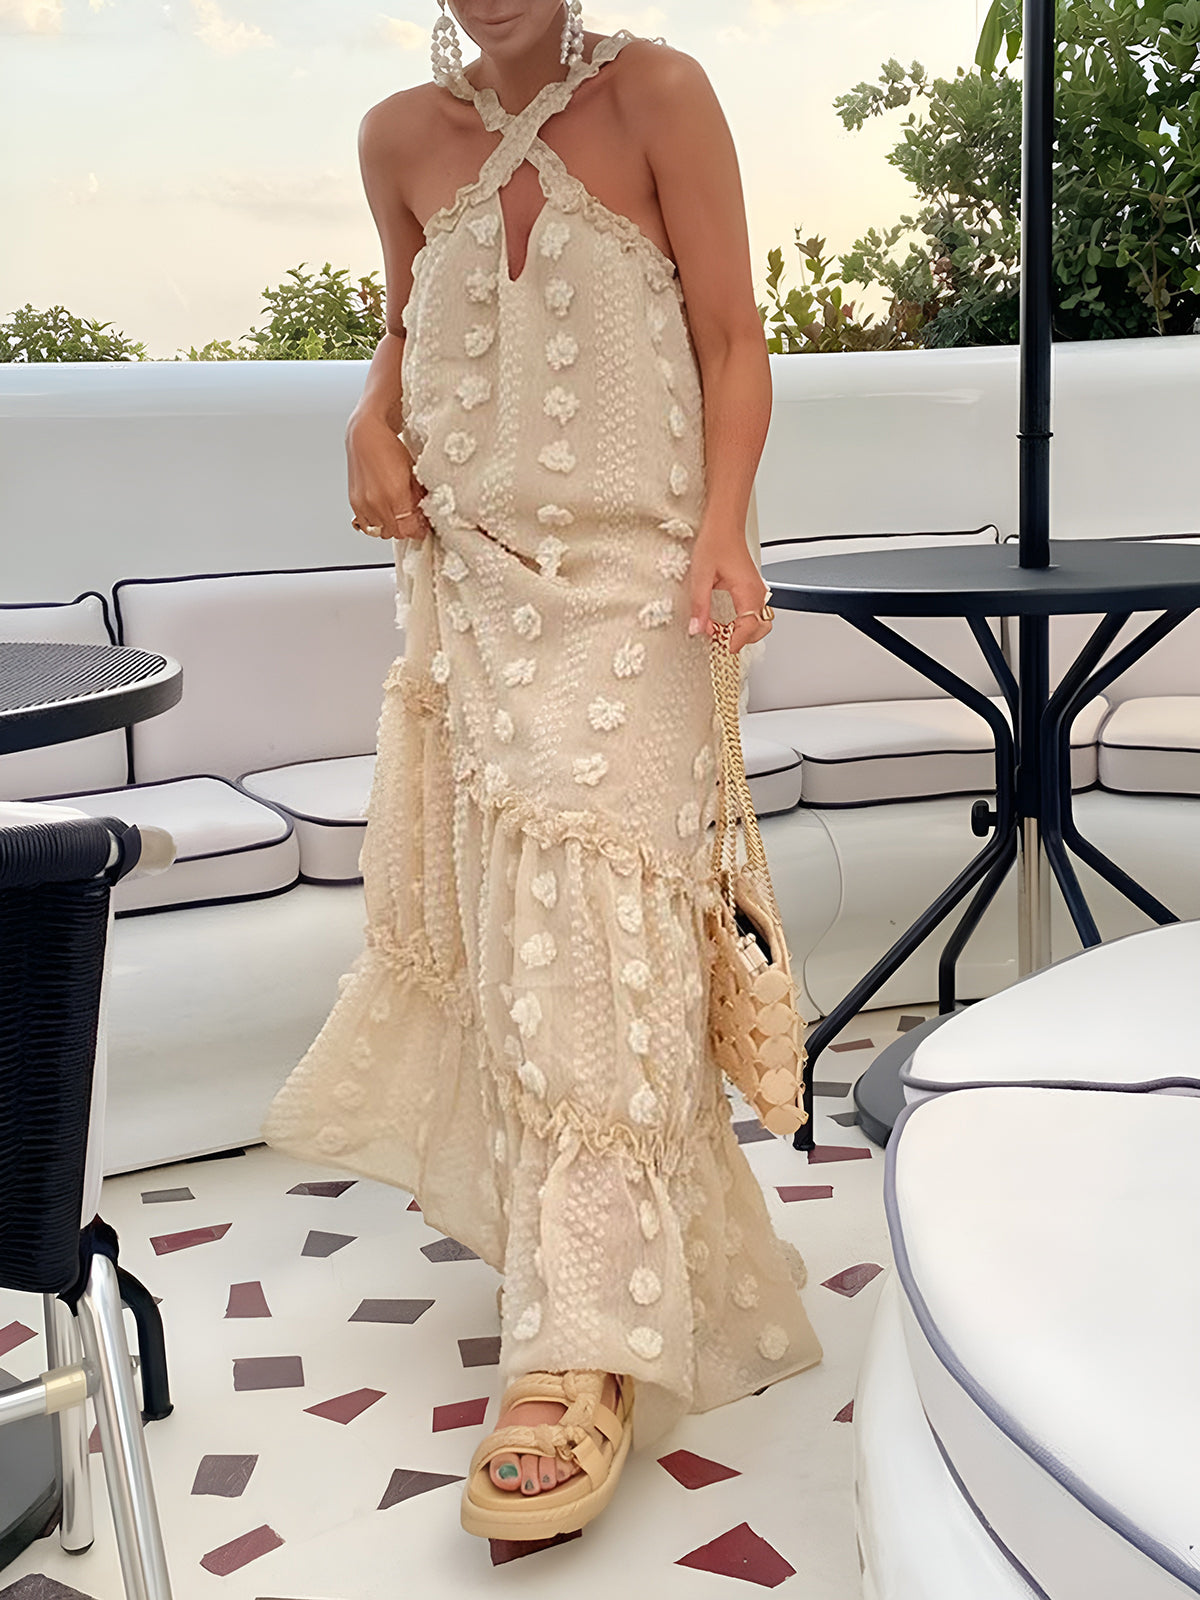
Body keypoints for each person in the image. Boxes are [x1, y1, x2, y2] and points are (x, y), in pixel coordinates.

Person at [262, 0, 822, 1542]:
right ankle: (593, 1283)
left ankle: (575, 1353)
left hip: (642, 583)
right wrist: (366, 413)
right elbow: (406, 327)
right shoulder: (395, 139)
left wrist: (726, 530)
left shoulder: (659, 96)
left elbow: (733, 336)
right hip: (474, 584)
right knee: (530, 940)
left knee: (593, 925)